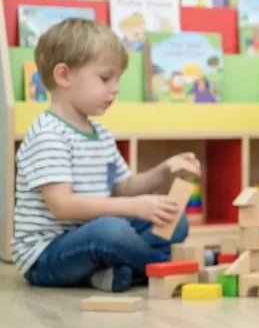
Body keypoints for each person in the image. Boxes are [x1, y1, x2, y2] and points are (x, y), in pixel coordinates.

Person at [15, 19, 196, 291]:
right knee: (111, 231)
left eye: (118, 79)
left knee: (173, 217)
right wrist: (134, 208)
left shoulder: (100, 133)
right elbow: (62, 206)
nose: (115, 88)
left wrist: (165, 170)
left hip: (89, 239)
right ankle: (164, 268)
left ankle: (115, 273)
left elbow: (124, 188)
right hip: (46, 256)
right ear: (64, 76)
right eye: (104, 78)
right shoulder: (48, 134)